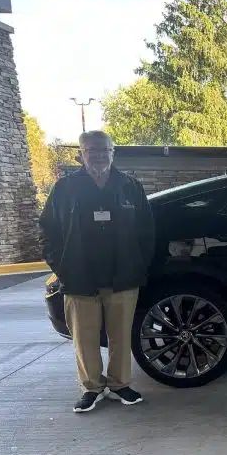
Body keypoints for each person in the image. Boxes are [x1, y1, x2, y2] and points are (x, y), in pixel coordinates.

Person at [39, 131, 155, 413]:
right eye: (92, 150)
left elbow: (146, 231)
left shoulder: (129, 186)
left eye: (105, 149)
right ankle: (91, 388)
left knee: (120, 337)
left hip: (122, 278)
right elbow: (47, 231)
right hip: (79, 278)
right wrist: (62, 267)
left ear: (113, 152)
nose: (99, 155)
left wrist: (138, 264)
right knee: (84, 338)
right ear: (81, 154)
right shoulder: (65, 188)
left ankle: (120, 385)